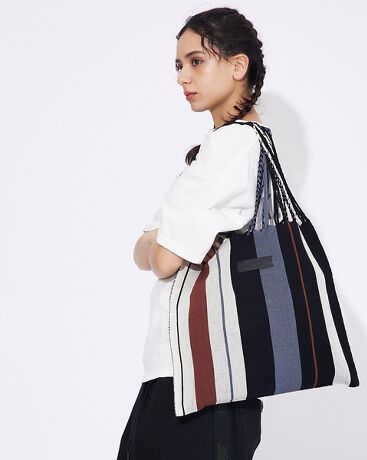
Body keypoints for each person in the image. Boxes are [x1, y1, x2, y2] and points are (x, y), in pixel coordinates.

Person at [117, 7, 268, 459]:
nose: (183, 77)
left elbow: (160, 257)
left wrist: (153, 241)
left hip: (197, 384)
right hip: (200, 378)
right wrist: (153, 244)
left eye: (197, 61)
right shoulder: (233, 147)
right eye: (179, 65)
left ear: (238, 66)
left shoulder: (233, 146)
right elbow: (149, 250)